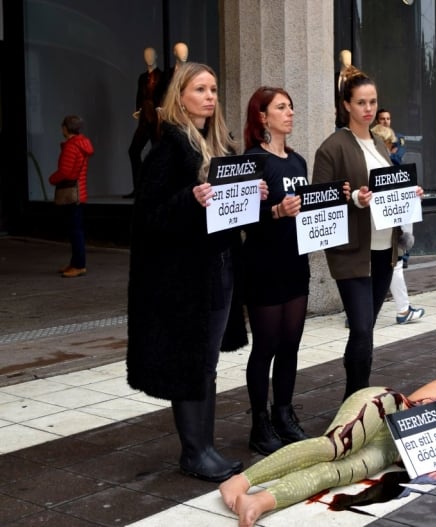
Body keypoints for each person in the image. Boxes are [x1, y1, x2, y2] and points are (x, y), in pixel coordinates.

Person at [127, 62, 262, 482]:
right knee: (190, 362)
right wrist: (190, 198)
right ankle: (195, 452)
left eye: (214, 89)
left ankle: (205, 446)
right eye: (200, 89)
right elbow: (147, 217)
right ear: (179, 97)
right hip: (182, 278)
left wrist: (251, 195)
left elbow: (231, 214)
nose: (210, 96)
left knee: (206, 362)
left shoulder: (218, 144)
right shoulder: (167, 147)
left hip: (218, 267)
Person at [219, 376, 436, 526]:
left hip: (388, 447)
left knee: (338, 472)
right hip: (384, 407)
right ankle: (241, 481)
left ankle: (260, 502)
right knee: (334, 446)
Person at [313, 70, 423, 399]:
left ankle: (357, 400)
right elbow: (320, 200)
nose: (368, 108)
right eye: (360, 102)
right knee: (360, 327)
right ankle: (354, 400)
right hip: (351, 252)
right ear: (346, 105)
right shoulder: (332, 147)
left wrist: (408, 194)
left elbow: (388, 191)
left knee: (366, 330)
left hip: (382, 251)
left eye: (372, 101)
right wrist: (354, 198)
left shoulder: (379, 144)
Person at [240, 86, 311, 454]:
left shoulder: (298, 162)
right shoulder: (254, 161)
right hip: (263, 264)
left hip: (296, 263)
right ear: (263, 117)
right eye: (281, 107)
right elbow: (242, 218)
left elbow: (308, 210)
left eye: (291, 106)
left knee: (290, 346)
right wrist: (275, 212)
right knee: (265, 346)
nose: (290, 113)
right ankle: (259, 422)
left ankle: (284, 414)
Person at [370, 124, 425, 324]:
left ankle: (362, 312)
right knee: (396, 265)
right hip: (387, 228)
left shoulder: (377, 165)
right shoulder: (389, 166)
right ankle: (402, 310)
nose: (394, 147)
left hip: (375, 228)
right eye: (391, 143)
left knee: (383, 267)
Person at [49, 115, 94, 278]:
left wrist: (52, 179)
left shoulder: (71, 146)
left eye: (63, 126)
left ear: (66, 128)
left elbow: (66, 172)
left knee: (75, 231)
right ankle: (75, 262)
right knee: (76, 229)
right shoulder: (81, 145)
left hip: (73, 195)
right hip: (79, 193)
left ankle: (79, 265)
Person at [125, 47, 165, 199]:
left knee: (158, 153)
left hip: (156, 120)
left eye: (151, 55)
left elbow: (164, 95)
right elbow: (139, 96)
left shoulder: (162, 76)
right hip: (144, 119)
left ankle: (157, 188)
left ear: (156, 56)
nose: (148, 57)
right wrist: (138, 110)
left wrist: (162, 110)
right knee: (133, 151)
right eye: (145, 55)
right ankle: (139, 188)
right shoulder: (142, 78)